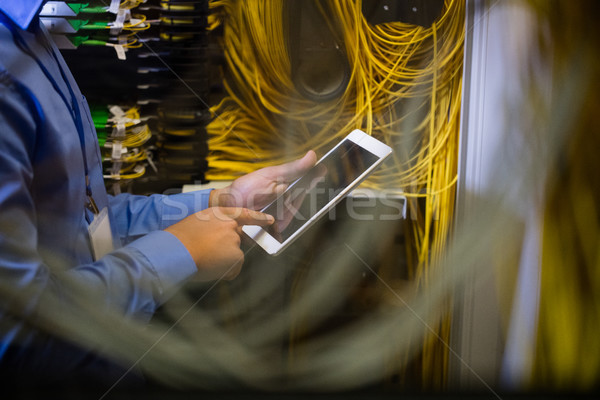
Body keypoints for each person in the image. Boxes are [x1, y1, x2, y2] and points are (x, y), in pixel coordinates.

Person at [0, 0, 317, 389]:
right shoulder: (6, 70)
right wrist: (179, 252)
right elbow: (19, 334)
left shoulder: (31, 38)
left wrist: (219, 203)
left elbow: (89, 218)